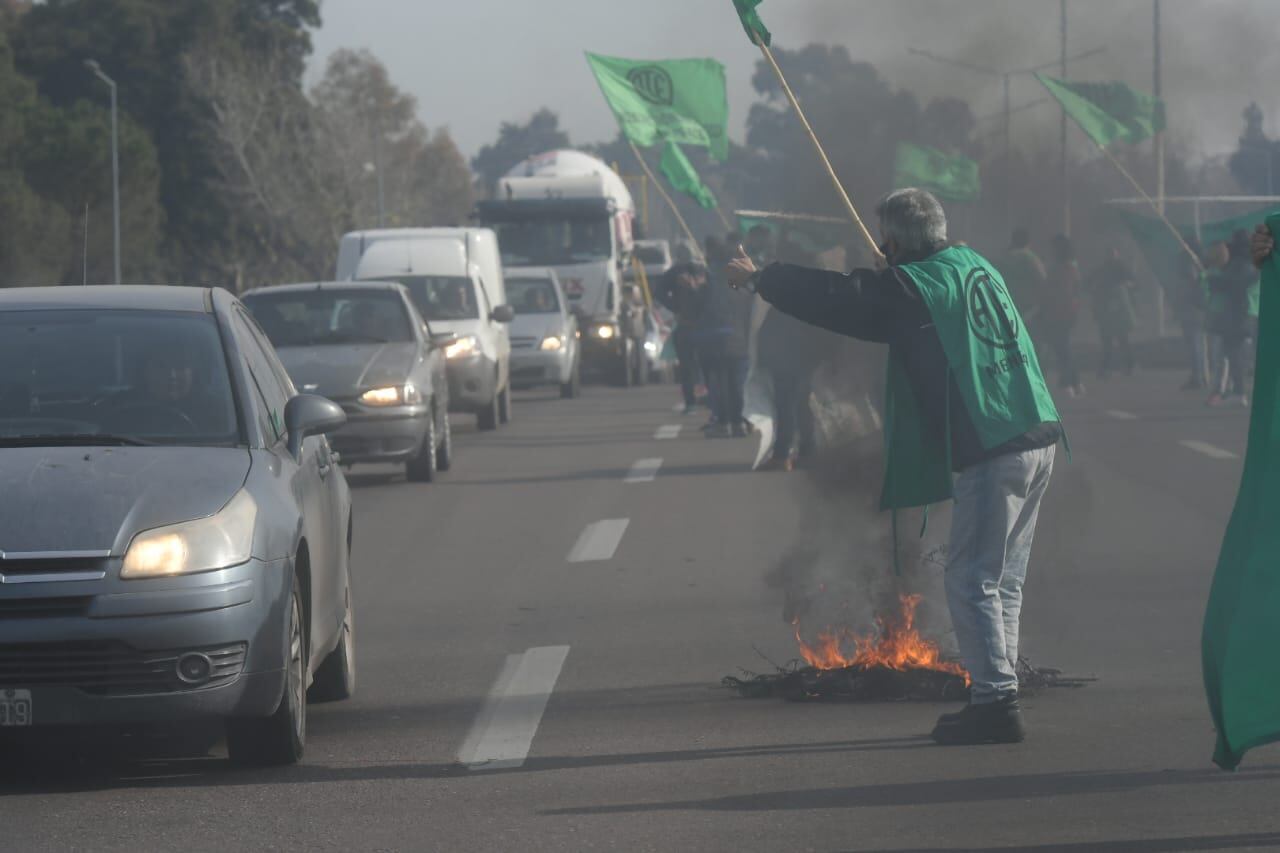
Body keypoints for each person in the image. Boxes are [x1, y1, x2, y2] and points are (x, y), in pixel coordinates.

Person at [727, 188, 1062, 745]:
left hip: (995, 443)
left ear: (897, 241)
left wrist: (763, 278)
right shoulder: (971, 263)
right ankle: (998, 685)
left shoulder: (917, 287)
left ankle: (995, 703)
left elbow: (841, 298)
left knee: (971, 578)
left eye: (888, 241)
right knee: (1003, 579)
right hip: (1036, 431)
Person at [1206, 230, 1257, 407]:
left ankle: (1238, 392)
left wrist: (1215, 282)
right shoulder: (1250, 263)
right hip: (1245, 313)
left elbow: (1233, 286)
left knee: (1233, 354)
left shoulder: (1241, 265)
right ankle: (1236, 390)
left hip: (1238, 315)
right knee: (1234, 353)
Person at [654, 260, 705, 415]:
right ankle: (701, 400)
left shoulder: (681, 272)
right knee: (699, 365)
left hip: (689, 325)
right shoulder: (706, 271)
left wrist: (675, 306)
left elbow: (659, 291)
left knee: (688, 367)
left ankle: (693, 402)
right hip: (702, 326)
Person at [1043, 234, 1084, 397]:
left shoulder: (1062, 268)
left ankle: (1067, 383)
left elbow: (1061, 291)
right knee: (1063, 346)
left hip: (1060, 312)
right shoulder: (1071, 266)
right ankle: (1075, 382)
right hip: (1068, 311)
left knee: (1062, 347)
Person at [1087, 247, 1138, 378]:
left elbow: (1089, 282)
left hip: (1114, 310)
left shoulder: (1110, 269)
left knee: (1114, 340)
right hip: (1112, 310)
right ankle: (1122, 367)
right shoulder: (1107, 269)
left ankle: (1117, 367)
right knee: (1116, 340)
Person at [999, 228, 1047, 326]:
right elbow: (1042, 279)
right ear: (1028, 242)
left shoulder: (1004, 257)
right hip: (1028, 305)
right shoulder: (1030, 258)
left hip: (1007, 301)